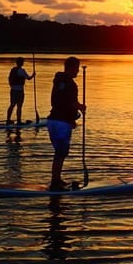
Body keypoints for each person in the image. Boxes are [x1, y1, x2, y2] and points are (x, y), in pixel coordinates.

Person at [47, 56, 86, 191]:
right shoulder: (71, 84)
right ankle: (55, 183)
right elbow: (72, 103)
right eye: (76, 68)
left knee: (59, 152)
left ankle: (56, 179)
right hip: (62, 123)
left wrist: (74, 114)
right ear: (71, 68)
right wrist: (81, 107)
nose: (78, 71)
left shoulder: (58, 81)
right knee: (61, 153)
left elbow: (61, 101)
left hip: (52, 121)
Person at [6, 57, 35, 124]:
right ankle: (18, 121)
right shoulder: (22, 71)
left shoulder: (13, 70)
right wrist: (33, 75)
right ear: (21, 63)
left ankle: (8, 120)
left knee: (12, 105)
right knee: (19, 106)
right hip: (19, 91)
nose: (23, 63)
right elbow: (28, 78)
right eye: (22, 62)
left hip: (13, 90)